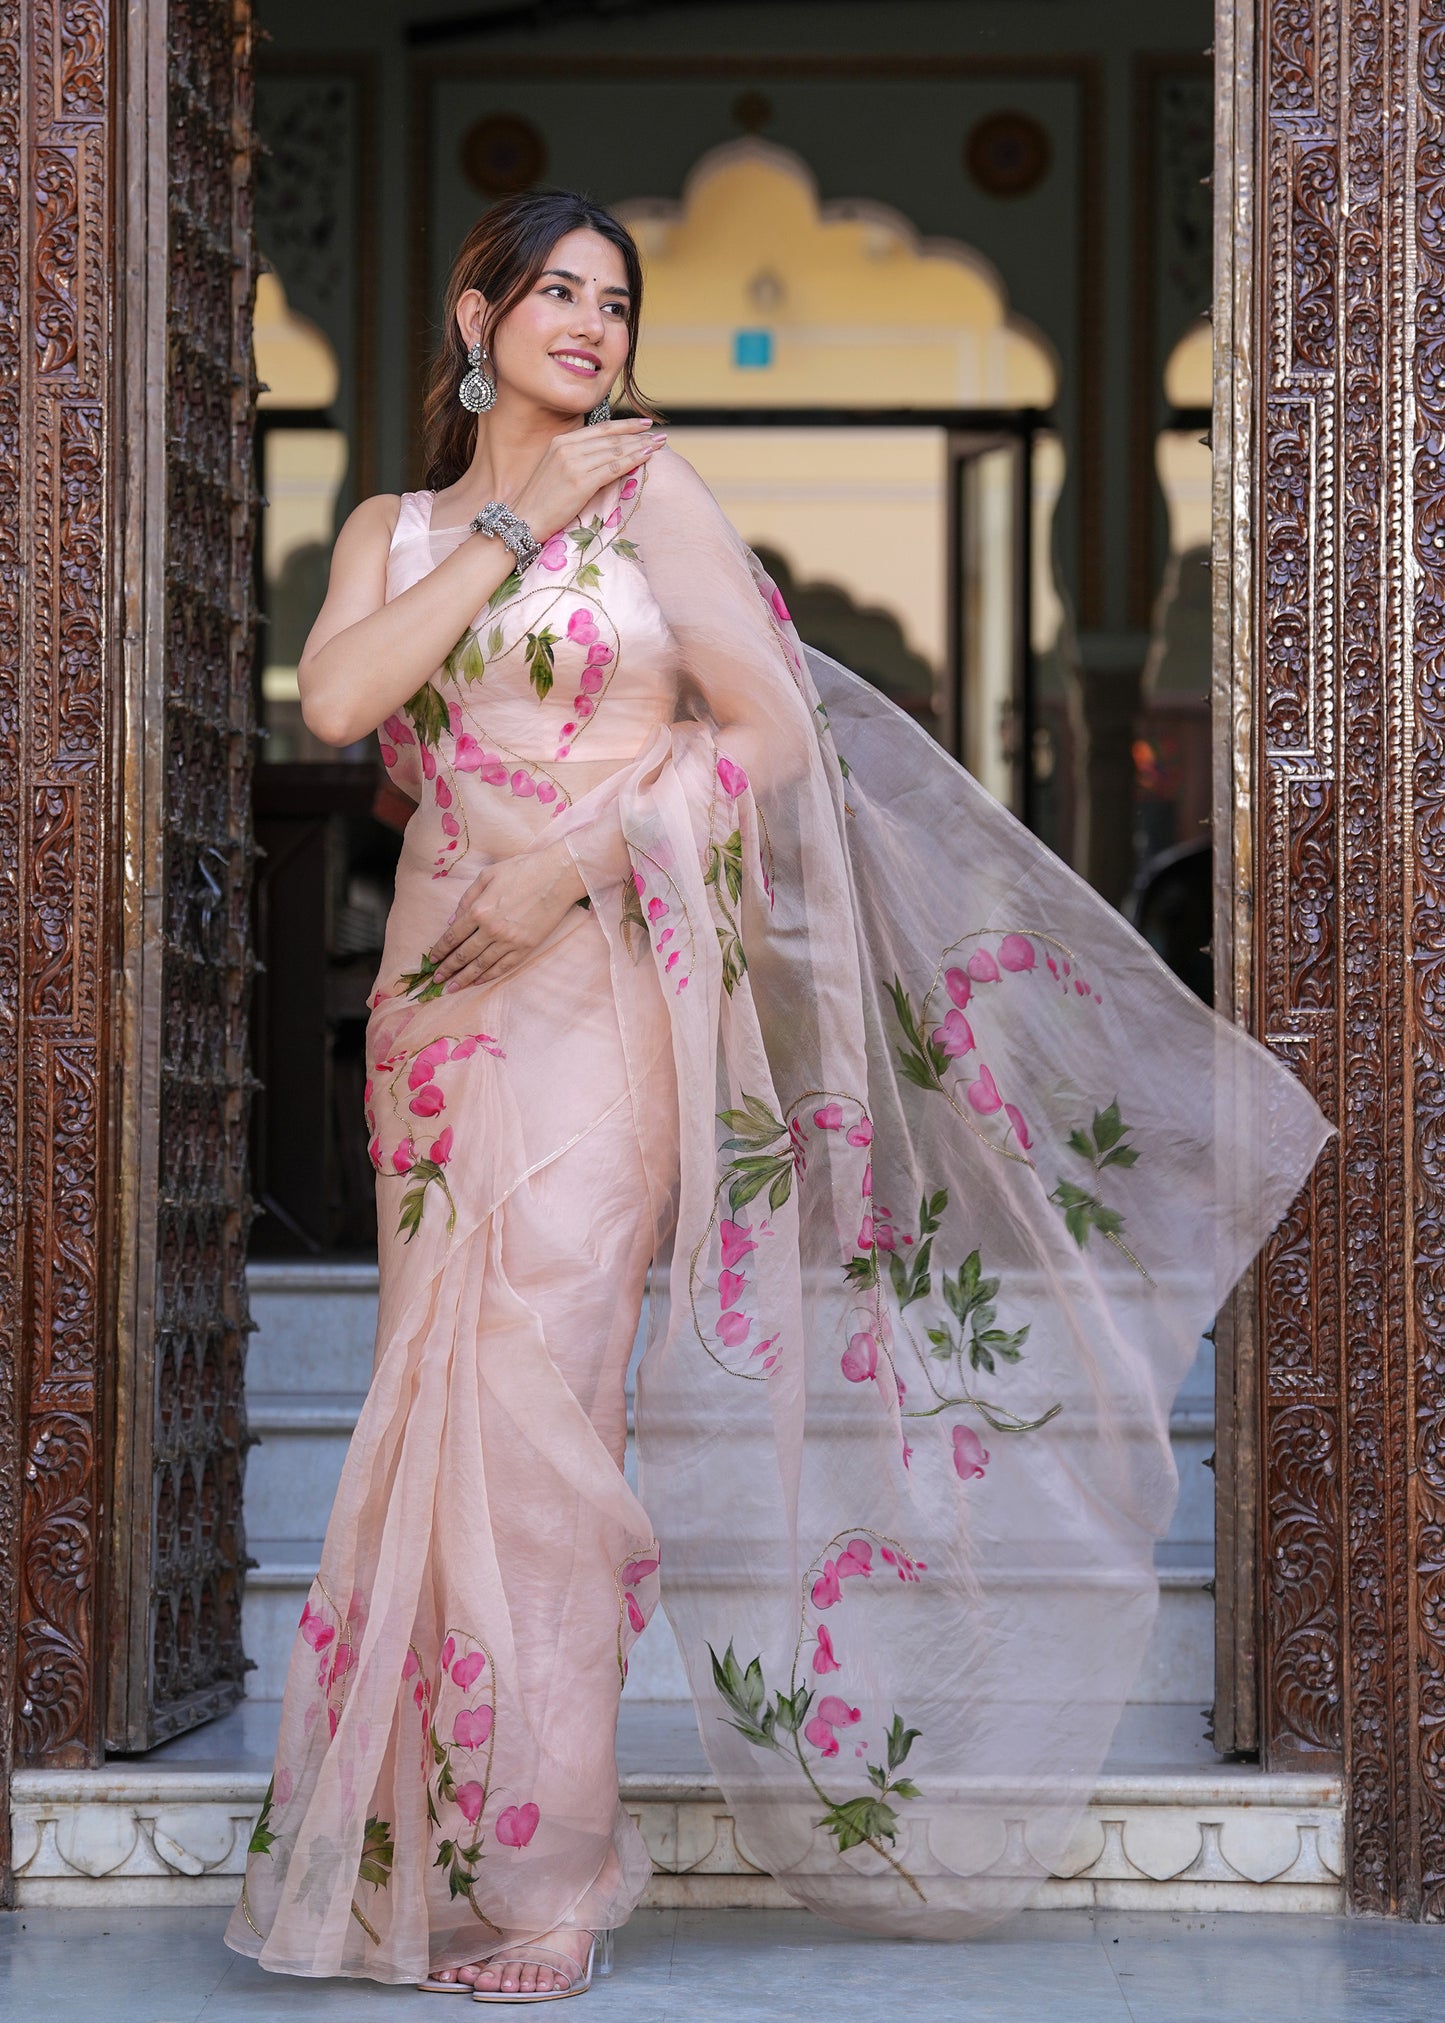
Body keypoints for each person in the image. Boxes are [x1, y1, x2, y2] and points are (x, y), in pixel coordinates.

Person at [226, 190, 1329, 2000]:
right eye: (558, 292)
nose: (591, 323)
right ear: (473, 312)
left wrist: (571, 864)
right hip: (433, 1030)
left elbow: (767, 735)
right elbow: (344, 694)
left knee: (542, 1409)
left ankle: (553, 1869)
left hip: (596, 993)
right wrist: (515, 521)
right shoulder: (403, 523)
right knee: (438, 1407)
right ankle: (406, 1846)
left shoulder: (654, 490)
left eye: (616, 299)